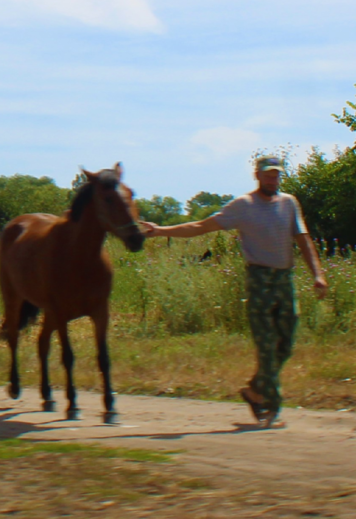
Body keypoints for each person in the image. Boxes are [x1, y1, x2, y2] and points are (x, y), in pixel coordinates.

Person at [139, 156, 328, 426]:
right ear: (257, 175)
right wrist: (159, 231)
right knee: (266, 345)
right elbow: (200, 226)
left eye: (277, 174)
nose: (273, 179)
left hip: (284, 278)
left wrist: (318, 275)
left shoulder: (289, 203)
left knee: (285, 344)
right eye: (268, 174)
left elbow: (303, 239)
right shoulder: (243, 206)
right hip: (259, 279)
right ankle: (270, 405)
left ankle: (254, 390)